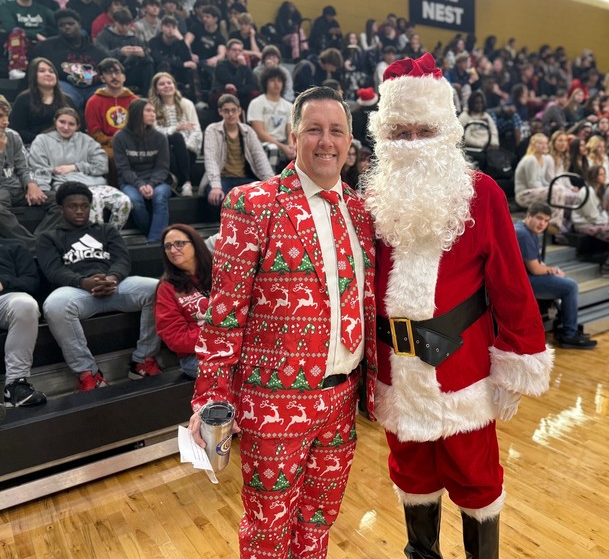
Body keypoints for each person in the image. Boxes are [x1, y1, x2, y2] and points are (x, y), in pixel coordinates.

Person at [363, 53, 551, 558]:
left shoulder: (482, 194)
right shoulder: (372, 200)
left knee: (476, 478)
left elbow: (511, 284)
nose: (412, 142)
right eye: (400, 132)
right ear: (384, 136)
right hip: (396, 371)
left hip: (462, 369)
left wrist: (516, 359)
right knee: (411, 474)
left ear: (446, 132)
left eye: (424, 130)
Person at [187, 86, 376, 557]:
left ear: (350, 141)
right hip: (275, 400)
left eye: (337, 131)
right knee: (267, 531)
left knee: (318, 523)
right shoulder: (253, 203)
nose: (326, 141)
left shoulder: (361, 211)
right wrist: (211, 398)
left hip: (342, 399)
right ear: (293, 137)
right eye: (314, 130)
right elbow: (223, 313)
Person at [37, 181, 160, 390]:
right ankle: (89, 373)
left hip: (114, 286)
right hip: (77, 292)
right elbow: (54, 271)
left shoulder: (106, 229)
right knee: (54, 305)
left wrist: (112, 278)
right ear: (61, 208)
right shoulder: (49, 237)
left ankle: (143, 360)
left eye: (84, 206)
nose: (79, 210)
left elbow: (122, 259)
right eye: (73, 206)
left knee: (158, 288)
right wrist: (83, 282)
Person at [28, 107, 131, 230]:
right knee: (94, 201)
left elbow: (102, 165)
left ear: (77, 126)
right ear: (55, 121)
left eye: (71, 124)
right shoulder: (42, 140)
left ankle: (111, 235)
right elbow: (39, 168)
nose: (66, 127)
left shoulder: (86, 140)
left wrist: (75, 167)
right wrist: (43, 189)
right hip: (68, 185)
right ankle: (93, 238)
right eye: (62, 122)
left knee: (124, 201)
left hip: (96, 184)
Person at [517, 202, 597, 348]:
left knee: (564, 281)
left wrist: (552, 271)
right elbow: (535, 269)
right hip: (521, 281)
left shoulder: (527, 230)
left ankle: (564, 326)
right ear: (528, 216)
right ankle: (569, 334)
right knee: (570, 286)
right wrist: (552, 270)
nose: (542, 224)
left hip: (525, 277)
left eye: (546, 220)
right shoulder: (523, 235)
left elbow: (537, 264)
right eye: (539, 218)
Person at [0, 95, 63, 248]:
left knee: (61, 200)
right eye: (0, 116)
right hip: (1, 191)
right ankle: (33, 246)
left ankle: (39, 240)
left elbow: (24, 167)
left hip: (17, 188)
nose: (6, 122)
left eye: (7, 116)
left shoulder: (13, 135)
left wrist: (31, 184)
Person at [155, 224, 211, 379]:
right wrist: (217, 335)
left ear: (195, 244)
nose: (173, 250)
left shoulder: (220, 271)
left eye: (179, 243)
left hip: (234, 345)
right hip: (195, 356)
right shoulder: (166, 288)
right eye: (168, 247)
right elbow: (174, 336)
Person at [113, 98, 171, 243]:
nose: (153, 114)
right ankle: (152, 234)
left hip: (157, 181)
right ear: (137, 113)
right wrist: (139, 185)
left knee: (159, 197)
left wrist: (151, 184)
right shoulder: (120, 137)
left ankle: (154, 242)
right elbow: (123, 169)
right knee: (134, 201)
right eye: (148, 111)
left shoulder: (160, 137)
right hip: (130, 182)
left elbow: (162, 167)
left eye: (154, 111)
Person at [202, 94, 273, 206]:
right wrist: (215, 185)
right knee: (219, 198)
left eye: (233, 110)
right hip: (222, 179)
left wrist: (271, 183)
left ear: (239, 111)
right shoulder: (212, 130)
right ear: (220, 112)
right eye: (226, 111)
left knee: (262, 197)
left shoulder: (248, 131)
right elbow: (211, 159)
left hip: (244, 178)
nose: (230, 114)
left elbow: (259, 157)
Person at [28, 9, 107, 109]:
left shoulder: (97, 51)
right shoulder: (46, 47)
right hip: (66, 86)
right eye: (62, 25)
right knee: (63, 93)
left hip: (93, 88)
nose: (67, 27)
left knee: (107, 92)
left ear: (79, 25)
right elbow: (32, 69)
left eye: (71, 24)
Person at [1, 240, 46, 407]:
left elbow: (31, 282)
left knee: (26, 305)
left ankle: (15, 387)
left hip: (5, 299)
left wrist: (4, 282)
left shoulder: (14, 248)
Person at [148, 71, 201, 197]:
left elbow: (196, 130)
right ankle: (186, 182)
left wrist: (184, 146)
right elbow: (155, 132)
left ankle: (177, 182)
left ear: (174, 85)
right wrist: (176, 128)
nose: (166, 86)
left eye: (169, 83)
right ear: (156, 89)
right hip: (164, 149)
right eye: (162, 84)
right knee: (173, 139)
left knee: (178, 139)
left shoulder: (186, 104)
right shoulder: (151, 107)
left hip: (188, 150)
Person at [84, 57, 138, 173]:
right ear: (102, 78)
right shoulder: (93, 101)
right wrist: (116, 142)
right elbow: (94, 133)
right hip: (106, 145)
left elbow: (140, 128)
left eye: (117, 72)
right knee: (111, 157)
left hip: (132, 142)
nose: (114, 76)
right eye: (108, 73)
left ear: (124, 77)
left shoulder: (135, 101)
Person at [0, 0, 56, 79]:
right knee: (16, 31)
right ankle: (16, 68)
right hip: (15, 44)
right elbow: (10, 27)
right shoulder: (6, 7)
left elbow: (58, 19)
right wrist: (36, 35)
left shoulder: (41, 9)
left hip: (40, 44)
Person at [9, 56, 74, 144]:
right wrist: (44, 140)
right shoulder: (23, 99)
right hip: (31, 146)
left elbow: (77, 127)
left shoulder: (67, 100)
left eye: (51, 71)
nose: (48, 74)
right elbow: (17, 130)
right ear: (33, 75)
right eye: (42, 71)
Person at [95, 8, 154, 94]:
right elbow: (100, 56)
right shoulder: (103, 36)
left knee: (148, 66)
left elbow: (149, 58)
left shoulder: (133, 37)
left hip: (131, 71)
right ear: (115, 22)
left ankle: (147, 94)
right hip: (113, 71)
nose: (125, 27)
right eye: (122, 24)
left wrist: (143, 54)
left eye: (128, 24)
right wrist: (120, 53)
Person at [246, 66, 295, 168]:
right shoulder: (257, 103)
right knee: (273, 149)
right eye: (272, 80)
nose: (276, 83)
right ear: (266, 83)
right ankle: (270, 177)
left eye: (279, 81)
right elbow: (259, 133)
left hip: (283, 143)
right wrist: (282, 147)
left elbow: (291, 131)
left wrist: (291, 145)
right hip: (262, 143)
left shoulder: (289, 106)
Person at [210, 38, 259, 109]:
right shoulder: (221, 66)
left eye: (240, 51)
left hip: (240, 94)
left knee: (254, 93)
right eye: (234, 50)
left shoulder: (244, 66)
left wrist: (240, 90)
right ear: (227, 52)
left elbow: (253, 85)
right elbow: (234, 83)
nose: (237, 53)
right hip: (222, 95)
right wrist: (242, 66)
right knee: (231, 92)